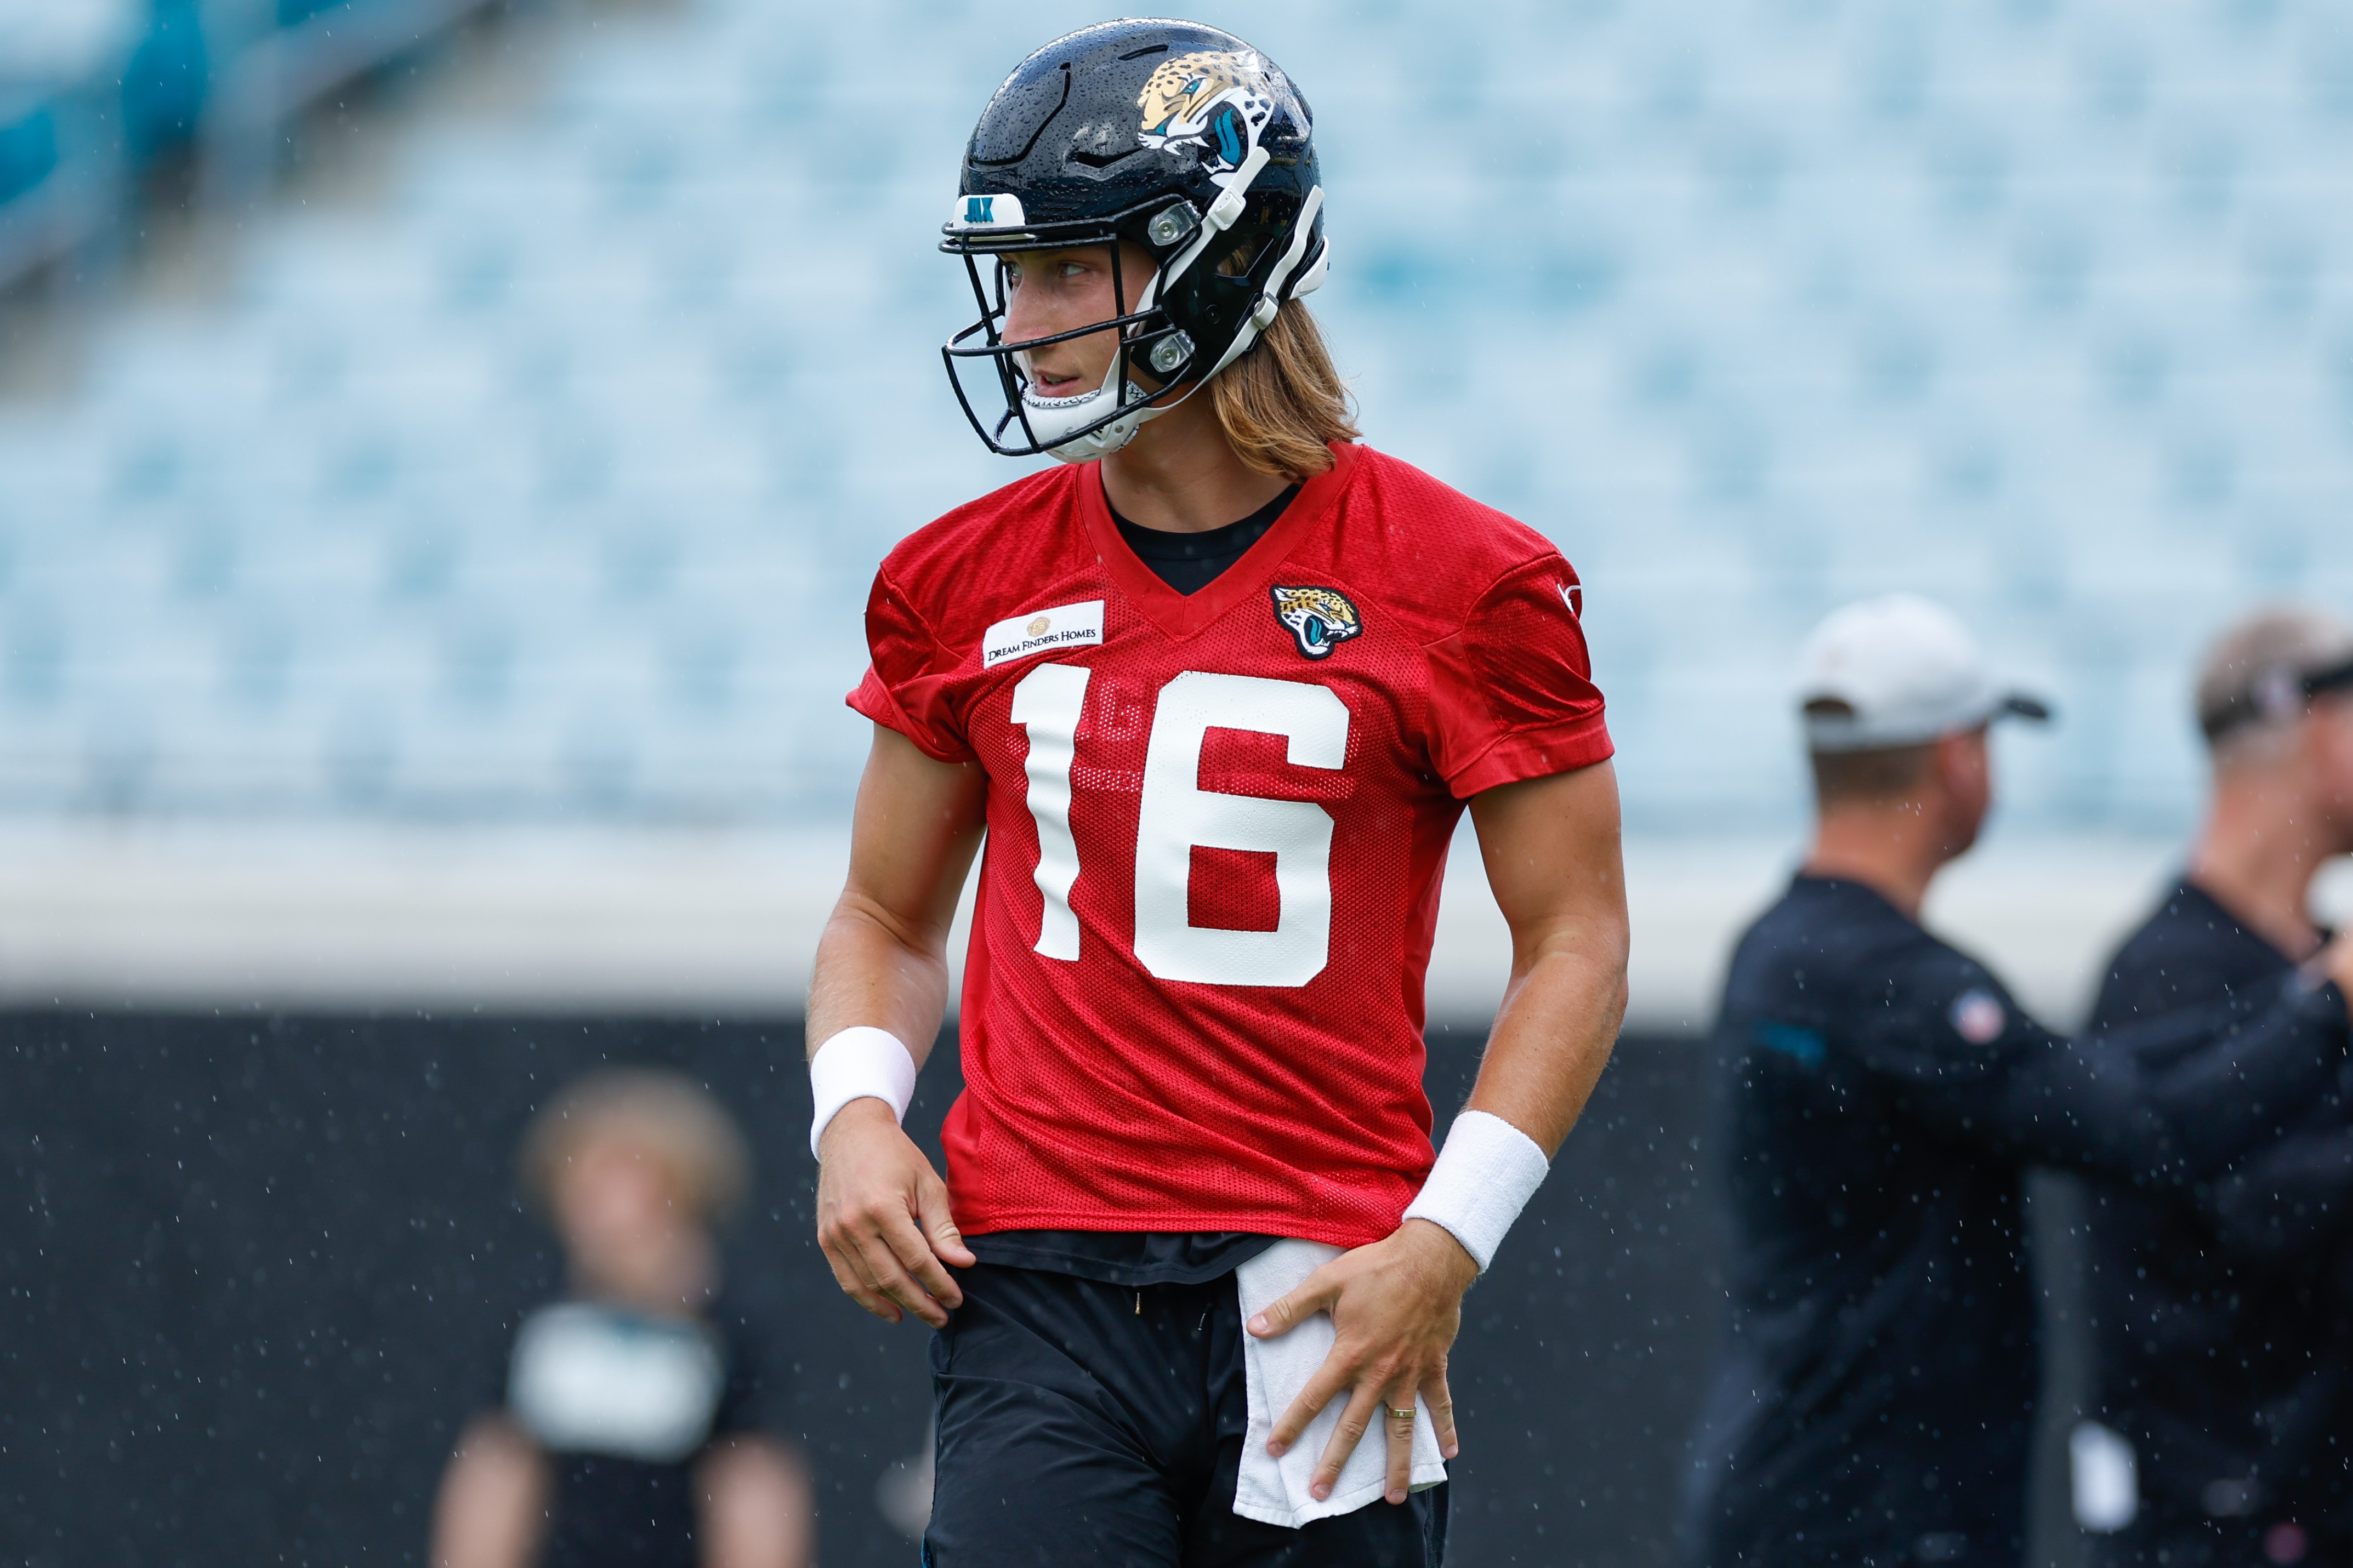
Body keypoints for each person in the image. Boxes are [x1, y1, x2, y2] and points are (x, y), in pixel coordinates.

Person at [805, 20, 1630, 1567]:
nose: (1026, 318)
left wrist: (1445, 1239)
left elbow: (1576, 938)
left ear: (1218, 252)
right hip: (1037, 1276)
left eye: (1071, 268)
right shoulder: (955, 577)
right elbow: (879, 909)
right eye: (1017, 272)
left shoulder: (1468, 580)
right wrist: (856, 1113)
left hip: (1324, 1280)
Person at [1684, 594, 2353, 1568]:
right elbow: (2146, 1128)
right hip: (1878, 1518)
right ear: (1959, 759)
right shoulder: (1894, 986)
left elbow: (2103, 1085)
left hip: (1808, 1491)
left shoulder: (1787, 953)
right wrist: (2321, 1008)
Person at [2076, 607, 2353, 1568]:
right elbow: (2259, 1210)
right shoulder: (2164, 977)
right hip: (2221, 1524)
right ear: (2318, 726)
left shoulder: (2317, 960)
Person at [430, 1070, 812, 1568]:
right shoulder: (540, 1324)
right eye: (580, 1190)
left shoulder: (728, 1333)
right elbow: (497, 1474)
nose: (595, 1214)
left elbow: (755, 1487)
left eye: (618, 1188)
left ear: (681, 1193)